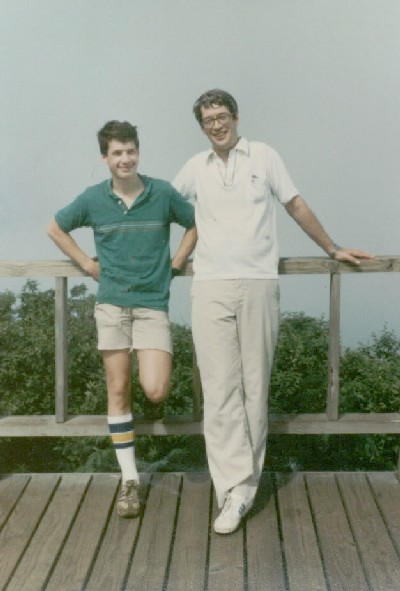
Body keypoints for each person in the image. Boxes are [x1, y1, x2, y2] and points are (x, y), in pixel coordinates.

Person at [173, 89, 373, 535]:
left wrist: (333, 248)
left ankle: (244, 487)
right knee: (218, 390)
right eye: (208, 121)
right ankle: (232, 491)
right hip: (209, 287)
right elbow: (161, 205)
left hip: (259, 284)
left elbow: (295, 205)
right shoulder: (194, 167)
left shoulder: (264, 156)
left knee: (253, 386)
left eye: (222, 116)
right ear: (201, 127)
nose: (217, 125)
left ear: (237, 117)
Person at [48, 120, 196, 518]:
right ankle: (130, 479)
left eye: (130, 150)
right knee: (118, 389)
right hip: (111, 303)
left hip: (151, 305)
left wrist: (178, 261)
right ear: (105, 158)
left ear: (138, 152)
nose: (125, 158)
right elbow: (56, 227)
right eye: (117, 152)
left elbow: (195, 223)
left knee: (156, 390)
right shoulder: (93, 198)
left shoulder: (163, 192)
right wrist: (85, 263)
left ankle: (148, 412)